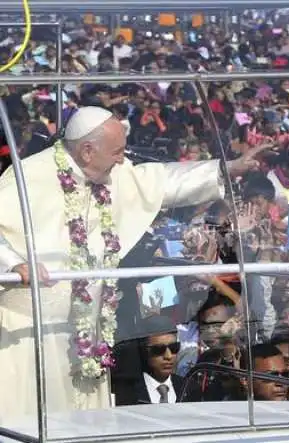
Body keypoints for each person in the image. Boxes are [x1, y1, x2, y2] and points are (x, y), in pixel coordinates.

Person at [0, 106, 259, 418]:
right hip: (28, 331)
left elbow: (161, 181)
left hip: (86, 332)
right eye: (117, 152)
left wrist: (225, 169)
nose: (123, 159)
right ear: (86, 151)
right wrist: (13, 263)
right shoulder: (28, 176)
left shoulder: (109, 173)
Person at [114, 315, 185, 405]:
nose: (168, 356)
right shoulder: (125, 393)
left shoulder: (189, 387)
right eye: (158, 349)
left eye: (174, 347)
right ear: (143, 350)